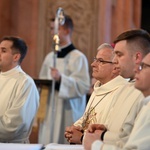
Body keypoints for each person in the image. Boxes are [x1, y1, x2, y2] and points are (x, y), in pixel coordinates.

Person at [83, 29, 150, 149]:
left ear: (137, 57)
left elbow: (131, 142)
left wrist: (98, 143)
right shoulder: (123, 89)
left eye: (119, 54)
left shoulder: (144, 92)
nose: (114, 60)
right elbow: (123, 135)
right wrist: (105, 132)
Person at [65, 43, 132, 144]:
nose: (93, 64)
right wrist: (75, 128)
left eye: (100, 61)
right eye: (95, 59)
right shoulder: (99, 88)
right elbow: (88, 117)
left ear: (115, 67)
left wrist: (82, 137)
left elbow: (110, 129)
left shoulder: (122, 92)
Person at [38, 15, 90, 144]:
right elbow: (43, 81)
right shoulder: (50, 57)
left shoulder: (78, 57)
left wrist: (62, 79)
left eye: (56, 29)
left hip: (67, 109)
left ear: (67, 31)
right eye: (51, 29)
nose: (52, 33)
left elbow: (83, 86)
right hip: (51, 107)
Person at [0, 36, 39, 143]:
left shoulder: (25, 83)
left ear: (16, 57)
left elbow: (14, 125)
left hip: (12, 146)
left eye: (3, 50)